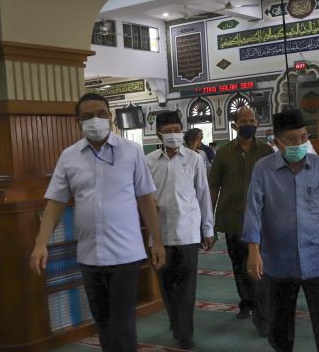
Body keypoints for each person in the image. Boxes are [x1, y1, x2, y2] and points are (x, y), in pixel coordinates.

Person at [30, 93, 165, 352]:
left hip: (126, 254)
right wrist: (40, 244)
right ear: (78, 122)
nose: (96, 120)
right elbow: (55, 203)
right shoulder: (69, 156)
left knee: (123, 323)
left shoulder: (131, 151)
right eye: (88, 116)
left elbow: (146, 199)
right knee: (103, 321)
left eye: (101, 114)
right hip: (90, 255)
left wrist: (157, 241)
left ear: (111, 117)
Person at [243, 110, 319, 352]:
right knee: (280, 322)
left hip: (316, 258)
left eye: (303, 137)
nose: (299, 144)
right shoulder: (263, 169)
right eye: (292, 140)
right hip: (278, 259)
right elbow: (253, 211)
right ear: (277, 142)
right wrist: (253, 250)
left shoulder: (317, 165)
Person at [146, 111, 214, 349]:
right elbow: (143, 197)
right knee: (167, 286)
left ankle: (184, 332)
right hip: (159, 235)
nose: (174, 134)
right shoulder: (149, 161)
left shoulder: (194, 159)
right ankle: (177, 321)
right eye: (169, 131)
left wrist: (208, 229)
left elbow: (203, 195)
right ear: (159, 134)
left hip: (188, 233)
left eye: (177, 129)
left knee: (186, 287)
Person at [208, 106, 273, 336]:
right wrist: (209, 218)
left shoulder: (266, 151)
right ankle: (246, 302)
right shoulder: (224, 153)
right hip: (232, 219)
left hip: (260, 221)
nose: (249, 123)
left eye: (252, 120)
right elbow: (214, 186)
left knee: (257, 269)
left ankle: (262, 316)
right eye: (244, 120)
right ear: (235, 125)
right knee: (239, 267)